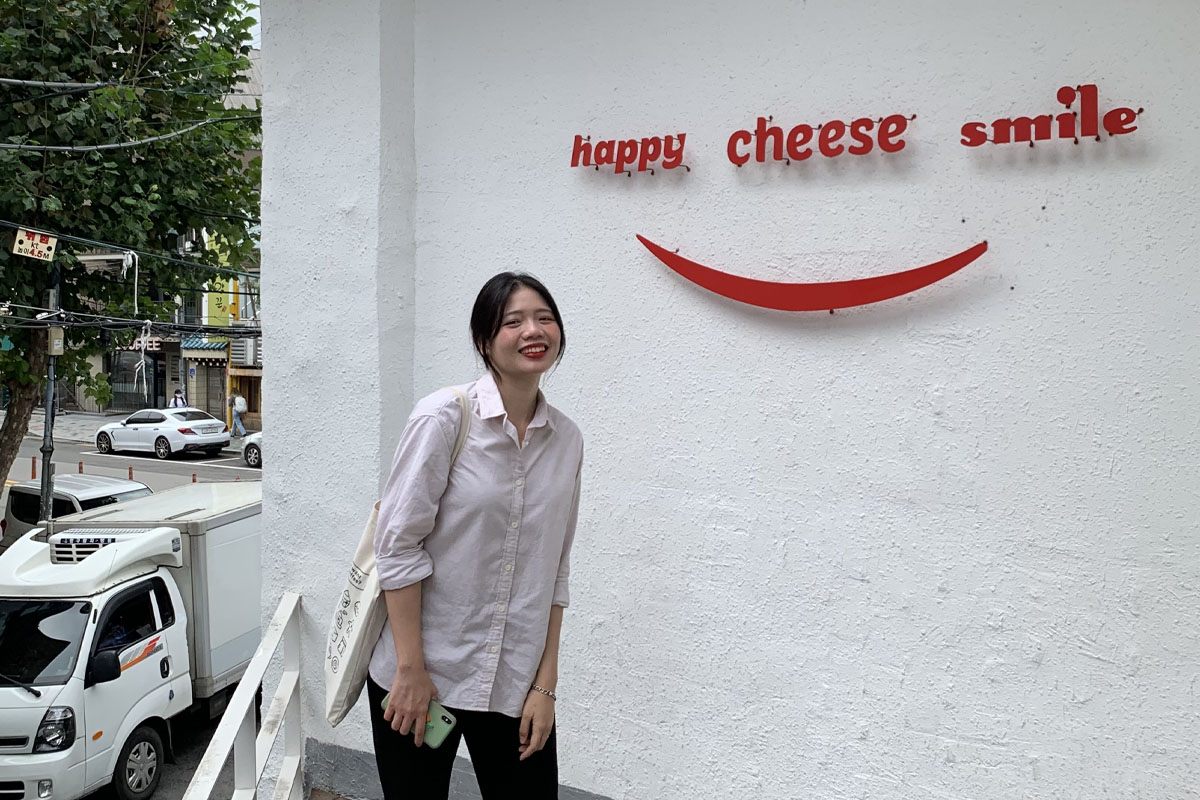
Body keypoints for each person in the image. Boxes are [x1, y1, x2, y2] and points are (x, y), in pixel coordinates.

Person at [367, 273, 583, 799]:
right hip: (424, 678)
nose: (533, 330)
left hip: (514, 684)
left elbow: (555, 569)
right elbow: (397, 547)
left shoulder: (568, 441)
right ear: (485, 341)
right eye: (513, 321)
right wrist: (412, 670)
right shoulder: (444, 418)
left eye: (544, 317)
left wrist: (545, 686)